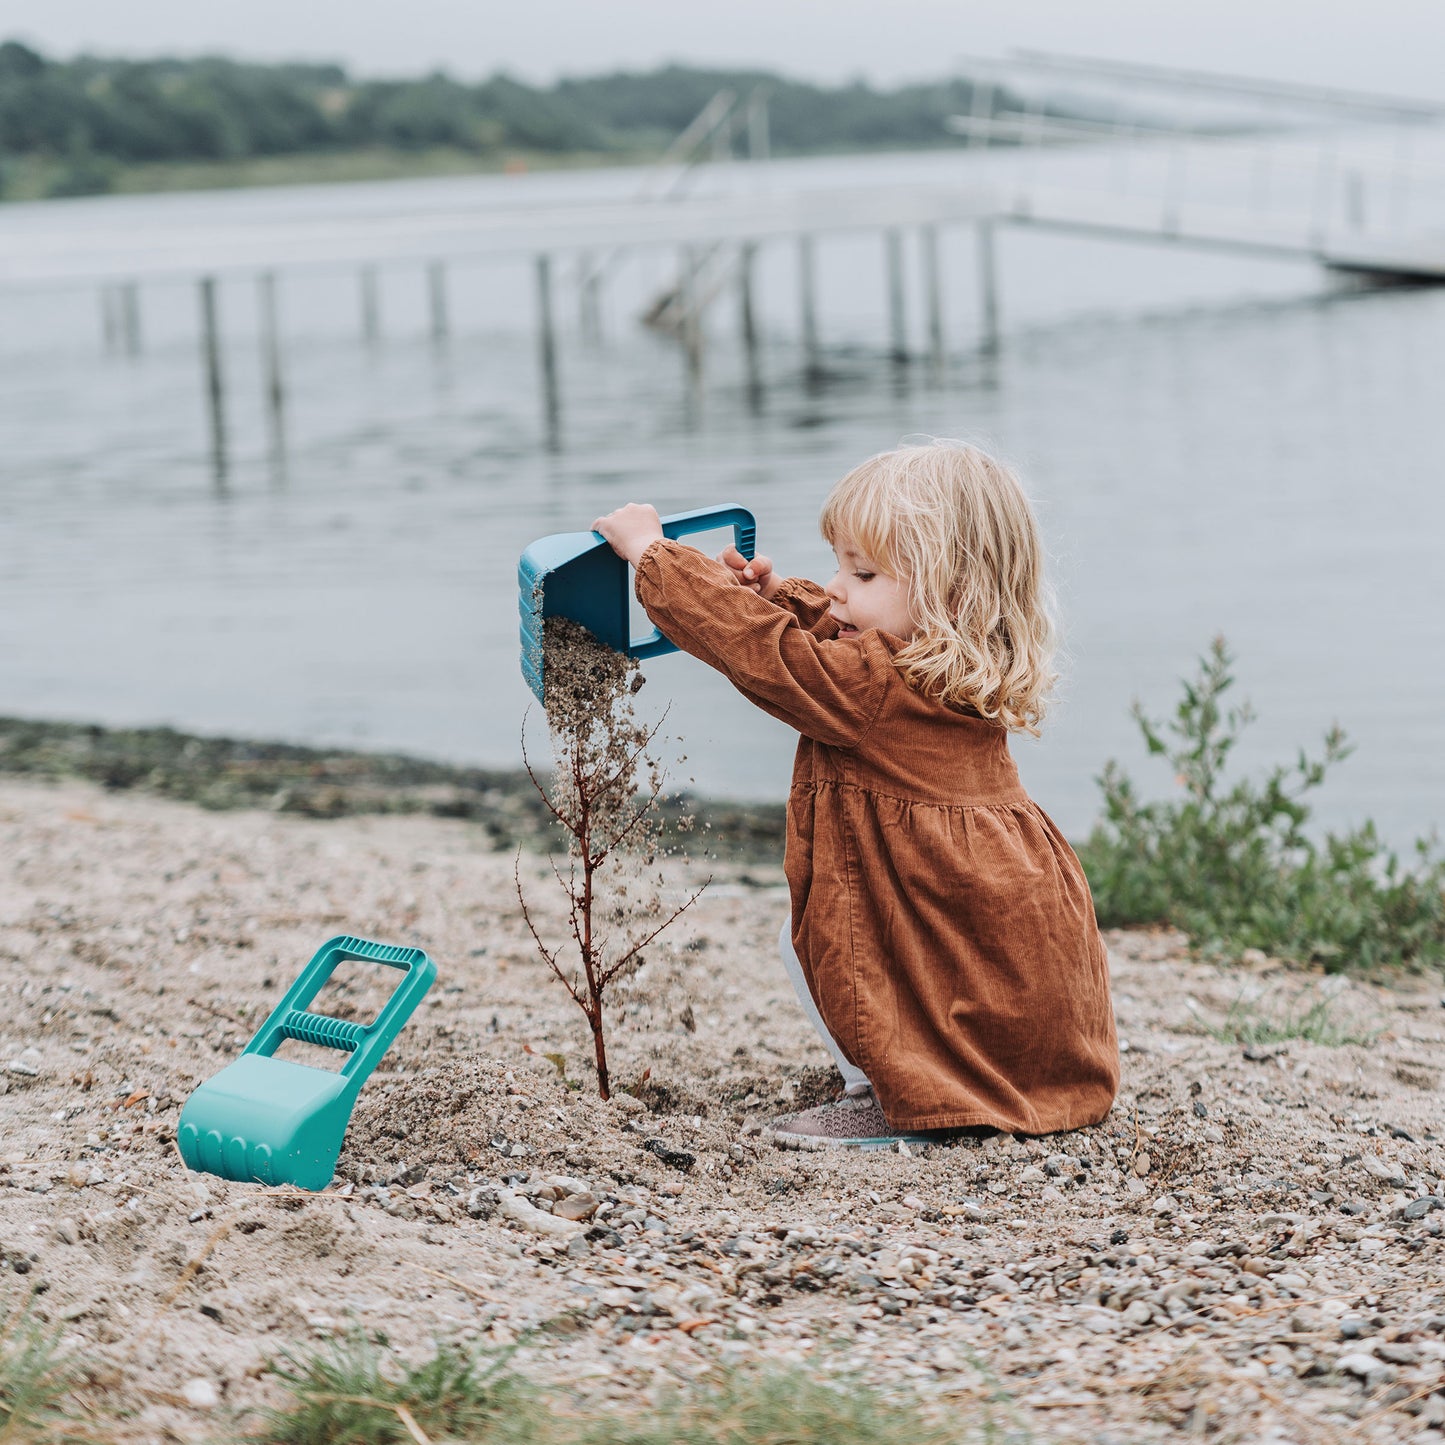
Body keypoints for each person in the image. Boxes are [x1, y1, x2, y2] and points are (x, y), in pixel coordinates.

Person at [593, 440, 1118, 1149]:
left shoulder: (869, 688)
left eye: (862, 571)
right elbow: (827, 641)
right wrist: (773, 599)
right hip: (1002, 905)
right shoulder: (951, 666)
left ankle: (883, 1091)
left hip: (937, 899)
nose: (836, 586)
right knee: (890, 963)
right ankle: (989, 1077)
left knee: (815, 935)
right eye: (839, 563)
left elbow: (765, 654)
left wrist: (657, 556)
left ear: (949, 593)